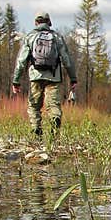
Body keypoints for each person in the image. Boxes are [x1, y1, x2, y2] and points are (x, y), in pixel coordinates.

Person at [12, 11, 78, 140]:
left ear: (36, 22)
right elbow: (66, 59)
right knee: (53, 105)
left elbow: (21, 61)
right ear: (49, 22)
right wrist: (73, 78)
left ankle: (36, 130)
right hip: (54, 77)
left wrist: (16, 81)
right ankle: (54, 125)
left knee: (34, 106)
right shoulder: (57, 37)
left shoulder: (30, 37)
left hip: (35, 77)